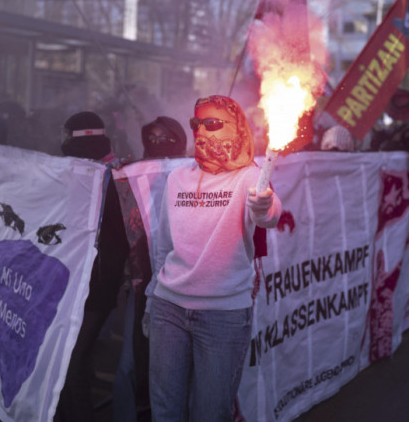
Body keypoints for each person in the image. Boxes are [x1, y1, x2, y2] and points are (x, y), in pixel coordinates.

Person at [145, 95, 282, 421]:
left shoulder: (251, 176)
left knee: (210, 413)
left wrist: (264, 206)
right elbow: (164, 245)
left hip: (223, 316)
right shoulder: (178, 178)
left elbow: (270, 213)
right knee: (164, 410)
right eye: (197, 123)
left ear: (235, 127)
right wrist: (153, 298)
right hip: (169, 311)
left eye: (213, 123)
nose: (202, 131)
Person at [55, 111, 129, 422]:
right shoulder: (94, 173)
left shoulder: (112, 178)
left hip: (96, 284)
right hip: (79, 280)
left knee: (72, 356)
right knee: (76, 355)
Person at [113, 116, 187, 422]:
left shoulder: (192, 175)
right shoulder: (134, 175)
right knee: (130, 362)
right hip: (141, 282)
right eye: (151, 138)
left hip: (181, 285)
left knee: (173, 365)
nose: (156, 145)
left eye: (164, 138)